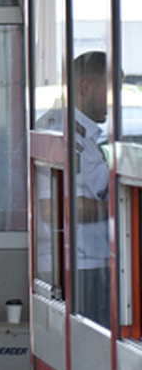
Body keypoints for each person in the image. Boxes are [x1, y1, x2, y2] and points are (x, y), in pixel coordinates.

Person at [71, 51, 111, 326]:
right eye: (111, 91)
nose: (115, 100)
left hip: (95, 260)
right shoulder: (68, 137)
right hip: (82, 267)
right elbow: (61, 208)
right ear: (86, 87)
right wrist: (122, 209)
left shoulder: (88, 138)